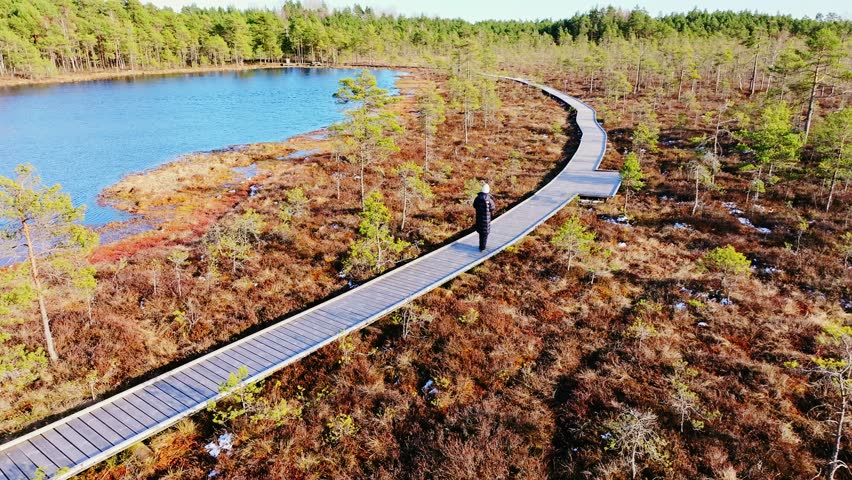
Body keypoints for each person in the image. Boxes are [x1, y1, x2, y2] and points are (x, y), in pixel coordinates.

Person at [473, 183, 496, 252]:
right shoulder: (489, 199)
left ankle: (481, 246)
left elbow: (474, 205)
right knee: (485, 234)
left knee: (481, 233)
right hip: (486, 220)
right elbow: (492, 208)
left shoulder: (477, 198)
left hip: (479, 219)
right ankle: (482, 248)